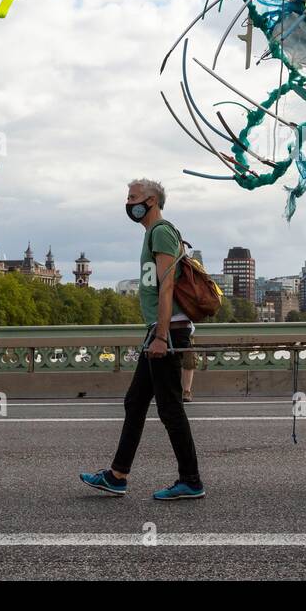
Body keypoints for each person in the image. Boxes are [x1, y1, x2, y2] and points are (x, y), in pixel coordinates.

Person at [80, 179, 205, 501]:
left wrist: (161, 336)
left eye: (133, 197)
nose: (128, 202)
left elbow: (166, 287)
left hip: (169, 329)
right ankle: (117, 475)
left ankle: (190, 480)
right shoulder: (153, 234)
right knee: (136, 403)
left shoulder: (161, 231)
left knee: (170, 409)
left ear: (151, 200)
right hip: (160, 328)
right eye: (128, 196)